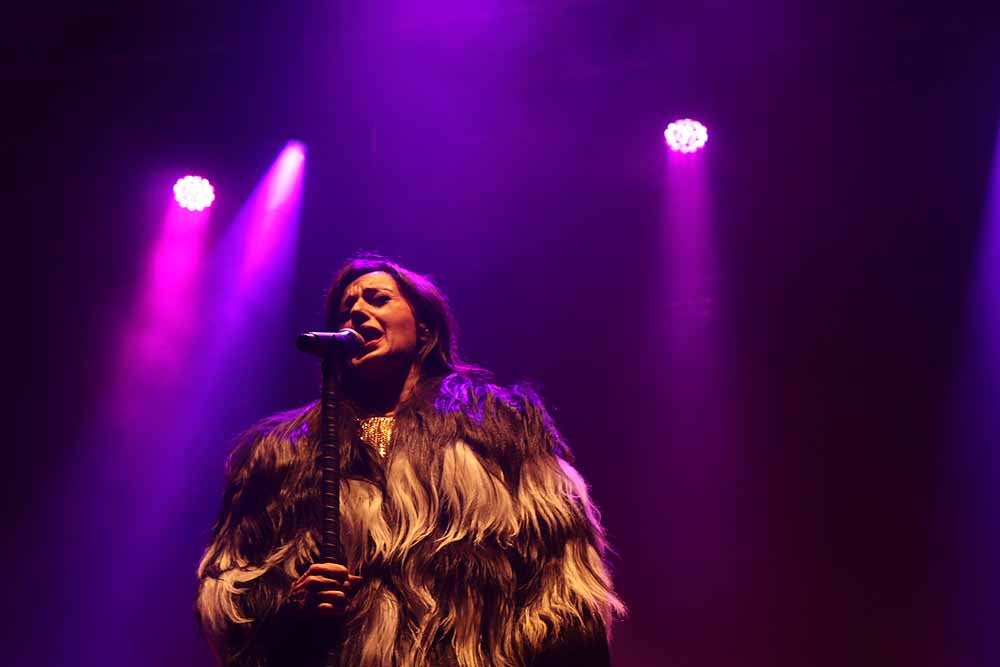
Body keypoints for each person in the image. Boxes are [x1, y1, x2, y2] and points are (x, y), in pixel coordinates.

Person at [195, 255, 625, 666]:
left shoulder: (498, 425)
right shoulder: (282, 453)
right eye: (346, 309)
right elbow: (232, 590)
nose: (358, 312)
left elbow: (561, 574)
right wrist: (291, 608)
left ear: (423, 328)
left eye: (378, 299)